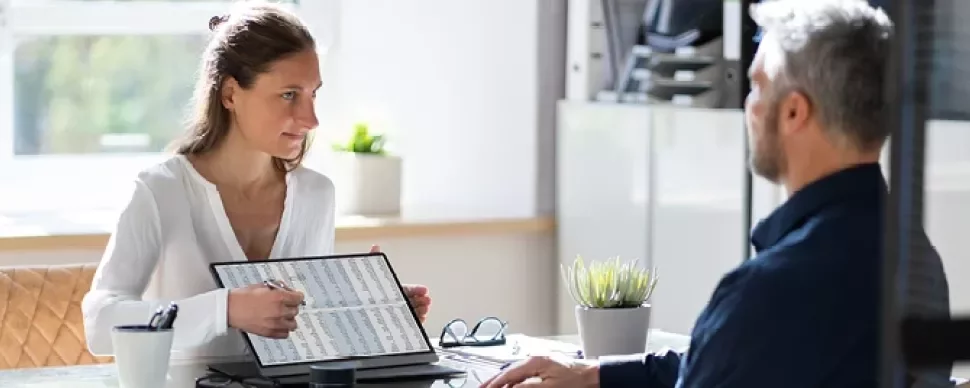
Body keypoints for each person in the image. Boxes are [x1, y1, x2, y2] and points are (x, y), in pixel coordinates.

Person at [482, 0, 952, 387]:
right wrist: (594, 375)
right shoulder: (917, 264)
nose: (748, 106)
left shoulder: (772, 291)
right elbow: (741, 362)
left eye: (757, 86)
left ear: (793, 113)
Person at [81, 1, 432, 361]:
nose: (311, 119)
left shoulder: (316, 195)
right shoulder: (161, 191)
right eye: (288, 95)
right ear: (231, 94)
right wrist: (226, 309)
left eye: (313, 94)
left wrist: (370, 311)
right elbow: (99, 324)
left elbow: (305, 332)